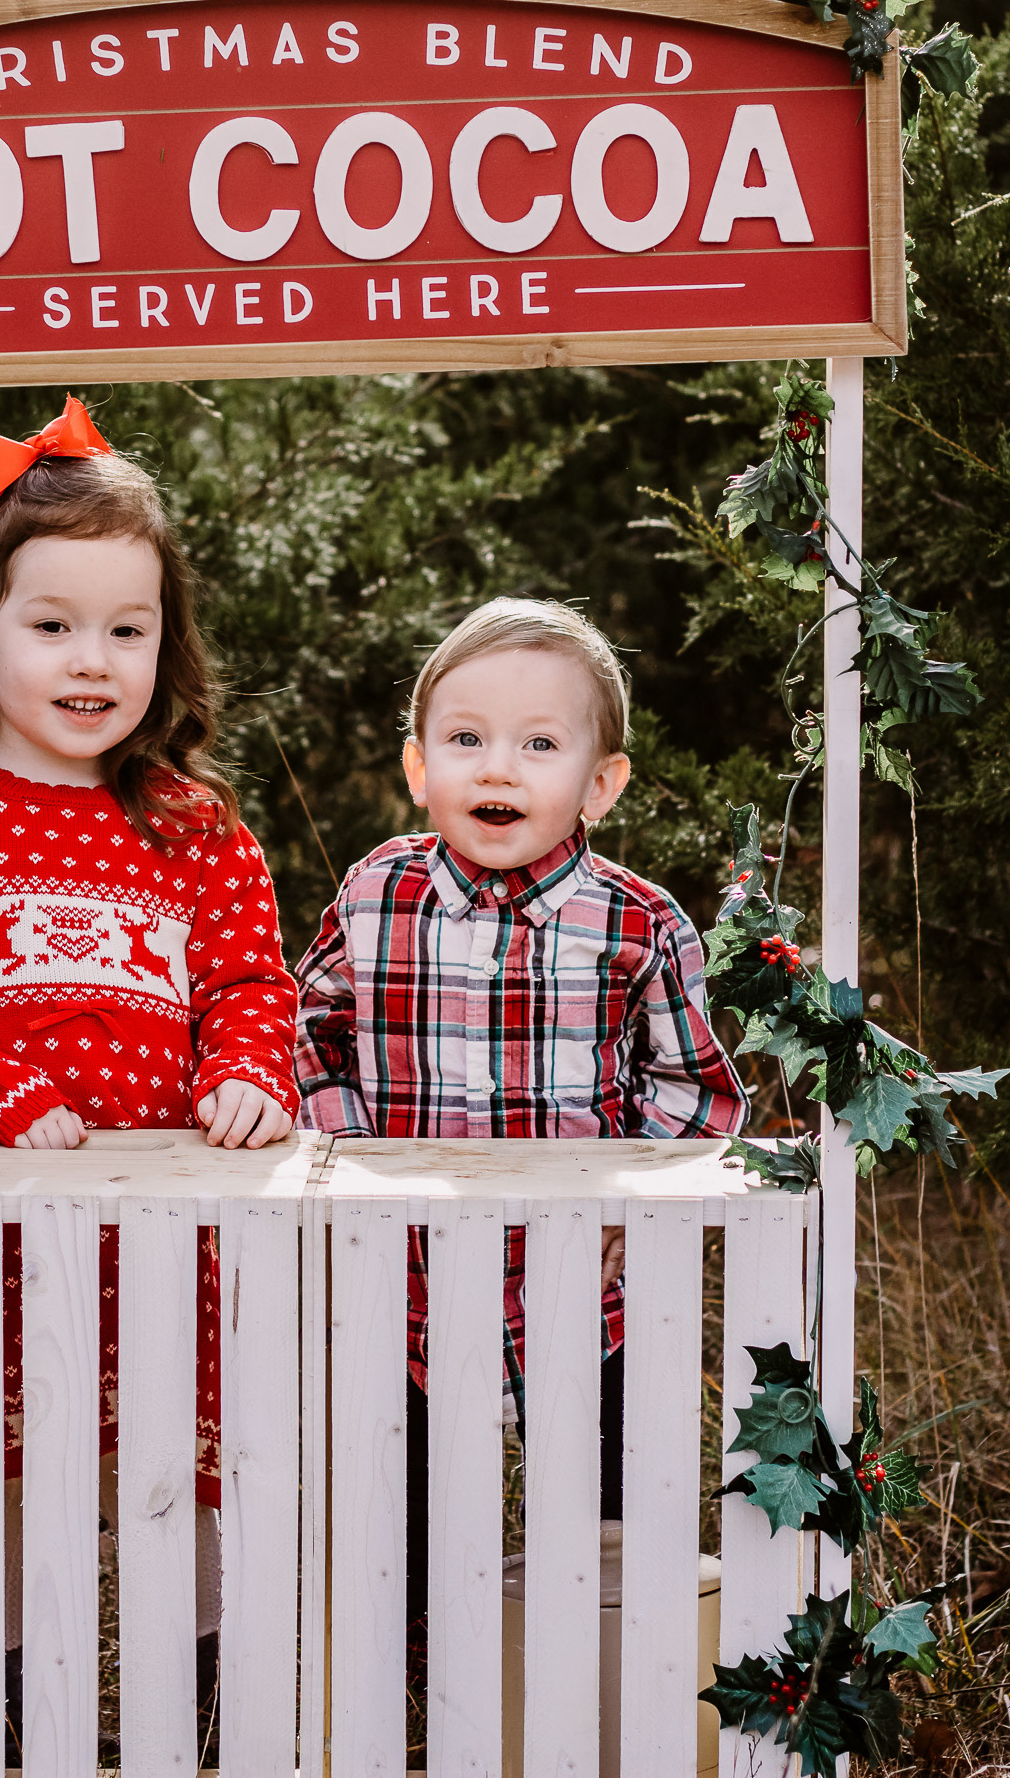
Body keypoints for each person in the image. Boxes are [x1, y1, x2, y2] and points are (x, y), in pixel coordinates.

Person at [0, 397, 298, 1763]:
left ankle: (200, 1710)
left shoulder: (193, 826)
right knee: (11, 1466)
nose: (93, 659)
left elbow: (249, 983)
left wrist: (245, 1070)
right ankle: (12, 1712)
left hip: (164, 1235)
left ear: (165, 642)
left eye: (126, 629)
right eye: (52, 624)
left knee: (183, 1470)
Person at [293, 596, 747, 1659]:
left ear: (600, 783)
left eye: (540, 745)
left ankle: (586, 1661)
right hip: (403, 1276)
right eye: (466, 739)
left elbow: (695, 1089)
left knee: (598, 1504)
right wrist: (353, 1162)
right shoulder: (377, 893)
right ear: (419, 767)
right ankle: (415, 1656)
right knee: (400, 1498)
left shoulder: (637, 922)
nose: (498, 768)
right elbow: (309, 1032)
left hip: (580, 1285)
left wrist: (630, 1198)